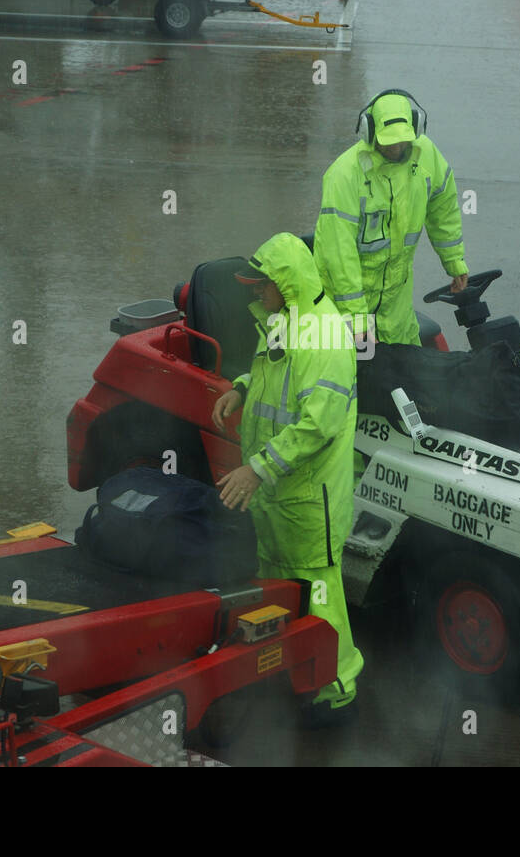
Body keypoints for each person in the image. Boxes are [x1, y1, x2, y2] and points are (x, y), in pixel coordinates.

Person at [210, 232, 364, 726]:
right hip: (277, 493)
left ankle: (337, 688)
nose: (256, 293)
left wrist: (255, 469)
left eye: (261, 285)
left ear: (286, 282)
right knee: (278, 586)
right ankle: (295, 670)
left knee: (318, 591)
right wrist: (240, 387)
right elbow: (270, 376)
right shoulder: (282, 322)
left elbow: (317, 425)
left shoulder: (327, 338)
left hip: (306, 496)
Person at [312, 89, 469, 347]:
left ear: (416, 128)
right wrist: (357, 321)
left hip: (396, 309)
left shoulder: (426, 156)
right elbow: (338, 256)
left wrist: (454, 261)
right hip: (346, 309)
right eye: (388, 141)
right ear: (369, 131)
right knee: (355, 381)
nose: (396, 147)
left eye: (402, 140)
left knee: (404, 377)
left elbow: (444, 207)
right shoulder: (344, 176)